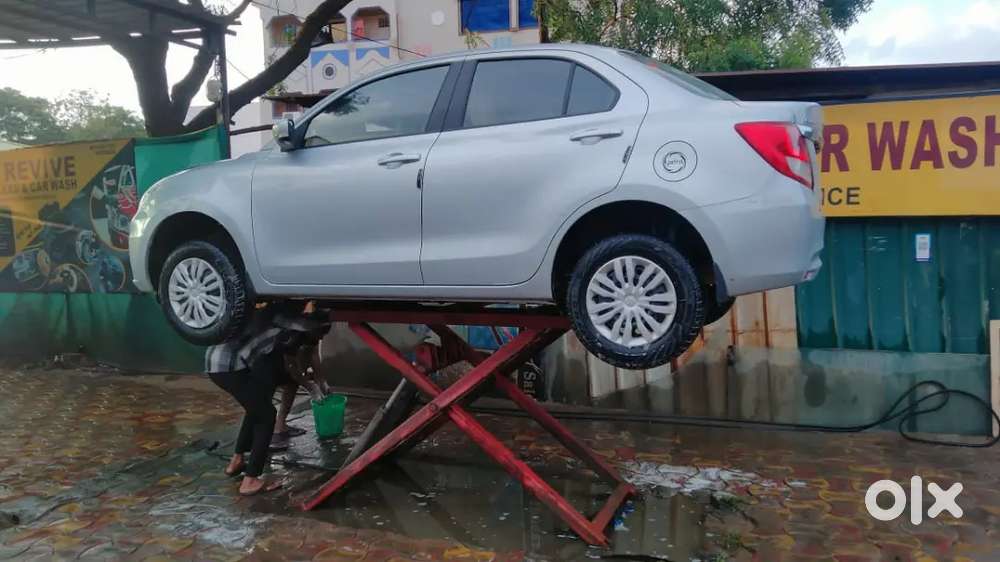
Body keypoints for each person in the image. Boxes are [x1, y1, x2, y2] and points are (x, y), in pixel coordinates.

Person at [205, 301, 330, 496]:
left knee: (256, 410)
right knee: (266, 415)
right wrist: (311, 385)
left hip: (218, 363)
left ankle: (237, 461)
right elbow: (306, 331)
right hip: (228, 366)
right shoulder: (281, 320)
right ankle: (250, 480)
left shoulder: (267, 313)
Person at [271, 342, 330, 451]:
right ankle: (262, 437)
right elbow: (291, 367)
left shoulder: (312, 333)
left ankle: (280, 426)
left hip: (288, 357)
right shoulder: (292, 336)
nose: (321, 338)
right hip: (267, 358)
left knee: (292, 384)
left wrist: (321, 379)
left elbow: (313, 352)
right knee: (264, 398)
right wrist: (310, 387)